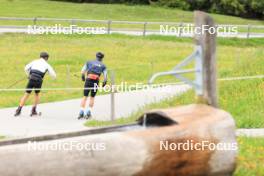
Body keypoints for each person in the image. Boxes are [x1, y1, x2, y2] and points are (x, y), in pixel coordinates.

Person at [14, 52, 57, 117]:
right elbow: (54, 75)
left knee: (26, 94)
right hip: (39, 80)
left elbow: (26, 68)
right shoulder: (47, 64)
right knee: (37, 94)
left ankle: (18, 110)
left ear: (40, 57)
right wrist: (53, 78)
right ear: (46, 58)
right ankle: (33, 110)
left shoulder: (34, 61)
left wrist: (29, 75)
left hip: (31, 78)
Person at [78, 52, 107, 119]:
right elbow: (105, 77)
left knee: (85, 96)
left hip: (88, 80)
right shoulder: (103, 66)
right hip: (95, 82)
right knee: (92, 97)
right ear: (102, 58)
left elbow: (82, 71)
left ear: (96, 56)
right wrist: (104, 83)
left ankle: (81, 112)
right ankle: (88, 112)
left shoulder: (89, 62)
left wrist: (83, 76)